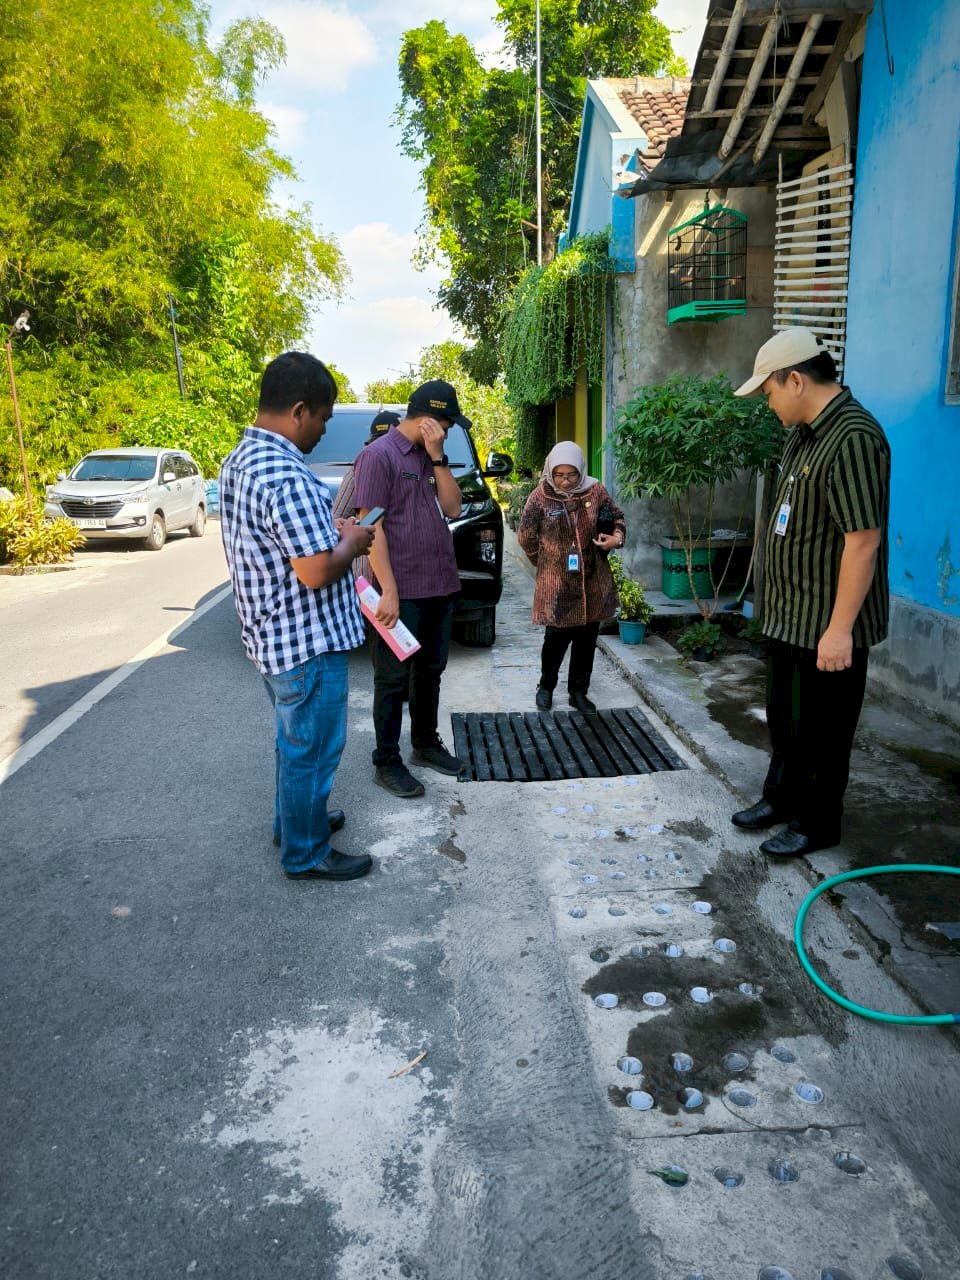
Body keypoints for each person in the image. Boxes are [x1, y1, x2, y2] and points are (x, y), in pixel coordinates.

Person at [729, 327, 890, 857]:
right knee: (787, 719)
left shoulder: (853, 438)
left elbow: (862, 541)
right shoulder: (805, 433)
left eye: (768, 392)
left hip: (826, 623)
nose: (767, 403)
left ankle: (819, 822)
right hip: (790, 616)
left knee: (824, 733)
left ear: (795, 380)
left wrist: (840, 630)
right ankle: (782, 799)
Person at [219, 352, 377, 881]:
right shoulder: (284, 472)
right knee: (311, 748)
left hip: (272, 637)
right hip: (305, 642)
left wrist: (330, 525)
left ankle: (295, 822)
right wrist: (353, 540)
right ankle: (305, 852)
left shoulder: (242, 458)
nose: (323, 431)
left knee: (294, 741)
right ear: (300, 410)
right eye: (324, 419)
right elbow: (313, 572)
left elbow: (285, 543)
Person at [352, 380, 467, 798]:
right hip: (402, 589)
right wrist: (388, 590)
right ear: (429, 420)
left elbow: (452, 508)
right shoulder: (377, 456)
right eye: (447, 424)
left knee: (431, 671)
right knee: (393, 678)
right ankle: (386, 760)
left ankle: (423, 744)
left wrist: (439, 459)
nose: (450, 430)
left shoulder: (428, 456)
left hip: (439, 583)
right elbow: (372, 524)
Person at [517, 441, 626, 713]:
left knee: (586, 640)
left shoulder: (595, 490)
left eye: (571, 475)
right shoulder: (540, 497)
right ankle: (546, 687)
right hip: (558, 585)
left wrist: (616, 539)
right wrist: (545, 564)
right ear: (550, 472)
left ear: (580, 471)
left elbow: (617, 517)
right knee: (555, 639)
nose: (565, 482)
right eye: (559, 475)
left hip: (592, 580)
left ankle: (578, 691)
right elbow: (526, 536)